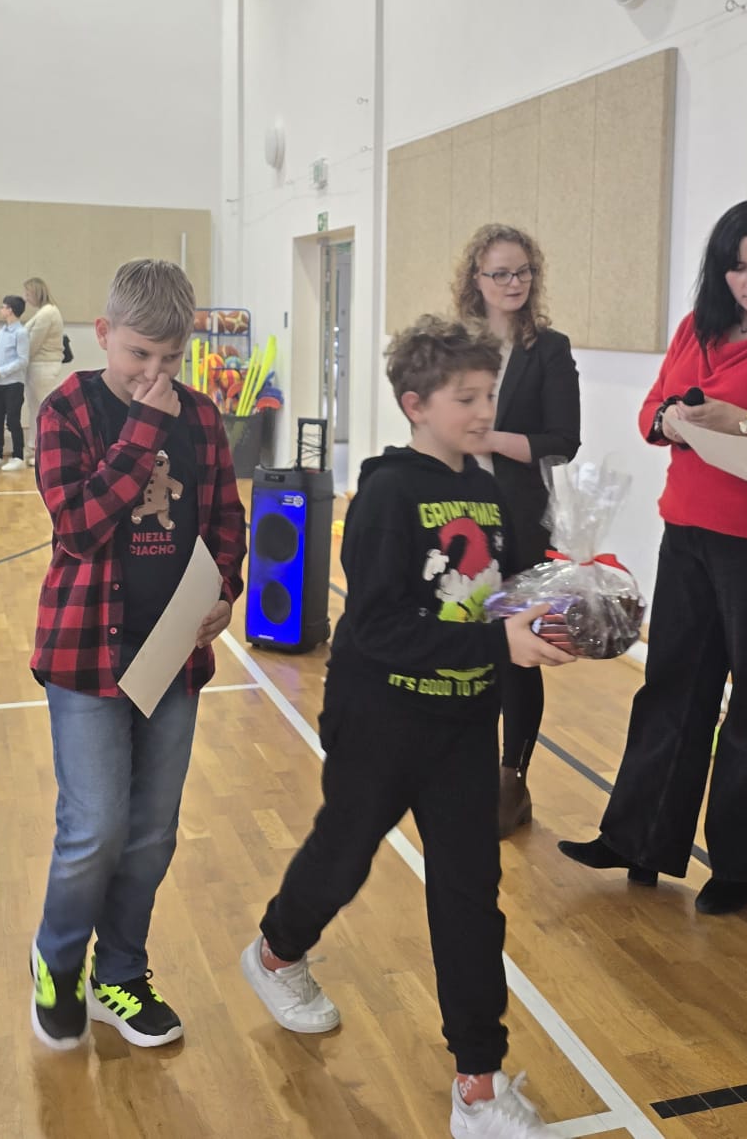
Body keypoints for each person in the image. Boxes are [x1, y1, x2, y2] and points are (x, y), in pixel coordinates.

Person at [241, 315, 565, 1136]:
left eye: (489, 395)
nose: (484, 411)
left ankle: (479, 1084)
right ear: (416, 405)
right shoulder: (388, 495)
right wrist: (499, 641)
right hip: (380, 724)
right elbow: (380, 627)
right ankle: (276, 952)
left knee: (470, 897)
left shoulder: (487, 490)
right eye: (467, 398)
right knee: (342, 859)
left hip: (464, 729)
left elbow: (499, 594)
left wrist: (559, 605)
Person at [558, 199, 747, 913]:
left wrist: (740, 423)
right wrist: (669, 420)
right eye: (738, 267)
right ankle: (638, 838)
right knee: (671, 685)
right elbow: (650, 412)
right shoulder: (696, 327)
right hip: (688, 527)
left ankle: (742, 867)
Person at [28, 259, 247, 1053]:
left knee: (152, 832)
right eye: (138, 356)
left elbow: (225, 520)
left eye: (170, 359)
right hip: (85, 654)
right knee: (95, 828)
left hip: (172, 659)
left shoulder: (203, 418)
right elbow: (79, 527)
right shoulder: (67, 411)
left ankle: (119, 972)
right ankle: (57, 963)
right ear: (104, 335)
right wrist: (144, 431)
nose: (154, 374)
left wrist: (226, 590)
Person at [450, 223, 582, 837]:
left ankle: (512, 779)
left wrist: (491, 439)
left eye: (523, 271)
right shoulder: (453, 346)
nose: (514, 283)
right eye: (500, 273)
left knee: (516, 653)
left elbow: (563, 441)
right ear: (475, 279)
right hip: (456, 518)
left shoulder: (549, 349)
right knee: (462, 643)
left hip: (520, 520)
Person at [0, 294, 30, 472]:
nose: (1, 309)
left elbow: (22, 360)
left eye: (3, 307)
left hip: (13, 383)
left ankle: (18, 456)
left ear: (10, 310)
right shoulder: (2, 331)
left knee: (13, 420)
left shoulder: (21, 332)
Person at [23, 275, 67, 447]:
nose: (26, 298)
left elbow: (33, 343)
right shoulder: (44, 312)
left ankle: (48, 445)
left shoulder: (48, 313)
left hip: (44, 366)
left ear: (36, 293)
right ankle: (35, 446)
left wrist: (17, 361)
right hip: (37, 366)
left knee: (45, 409)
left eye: (28, 293)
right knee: (35, 409)